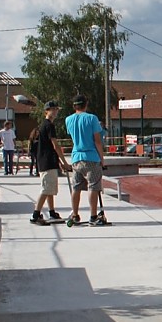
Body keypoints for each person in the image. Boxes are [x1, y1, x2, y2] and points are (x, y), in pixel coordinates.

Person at [64, 94, 107, 225]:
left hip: (76, 157)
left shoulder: (68, 119)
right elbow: (97, 141)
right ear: (86, 104)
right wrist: (102, 158)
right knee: (93, 187)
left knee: (76, 187)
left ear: (74, 106)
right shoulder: (92, 118)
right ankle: (93, 216)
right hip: (91, 157)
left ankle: (75, 214)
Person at [30, 102, 72, 225]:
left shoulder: (44, 125)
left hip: (47, 161)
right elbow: (55, 145)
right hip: (47, 162)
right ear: (46, 111)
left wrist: (58, 162)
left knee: (50, 189)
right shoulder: (49, 126)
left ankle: (52, 211)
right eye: (52, 109)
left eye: (56, 109)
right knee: (46, 189)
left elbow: (50, 147)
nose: (55, 112)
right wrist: (64, 162)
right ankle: (35, 215)